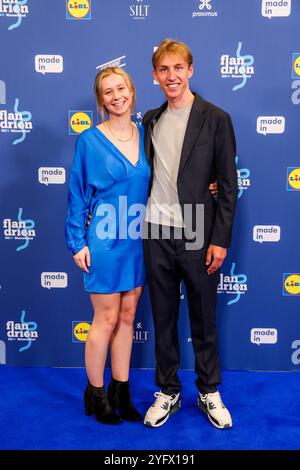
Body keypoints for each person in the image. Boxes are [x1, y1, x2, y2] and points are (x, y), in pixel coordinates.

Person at [143, 39, 238, 429]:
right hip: (155, 232)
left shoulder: (216, 118)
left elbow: (228, 186)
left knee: (203, 317)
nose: (172, 76)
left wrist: (220, 238)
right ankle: (168, 391)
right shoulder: (150, 118)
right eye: (164, 70)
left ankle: (208, 390)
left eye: (178, 68)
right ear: (155, 76)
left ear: (191, 70)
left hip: (199, 231)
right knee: (163, 317)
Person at [65, 67, 151, 424]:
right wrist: (77, 242)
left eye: (121, 89)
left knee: (128, 318)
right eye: (108, 92)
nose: (116, 96)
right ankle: (96, 394)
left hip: (137, 239)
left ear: (132, 91)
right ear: (101, 100)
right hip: (102, 240)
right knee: (106, 318)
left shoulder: (147, 134)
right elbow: (76, 195)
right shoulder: (88, 141)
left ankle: (121, 390)